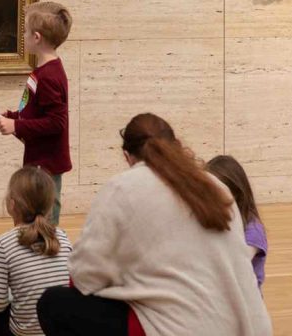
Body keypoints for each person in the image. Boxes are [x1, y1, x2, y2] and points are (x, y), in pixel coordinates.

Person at [36, 113, 272, 336]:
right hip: (244, 326)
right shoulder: (214, 185)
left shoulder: (123, 187)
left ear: (127, 156)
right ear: (177, 145)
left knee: (54, 303)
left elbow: (84, 277)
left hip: (176, 328)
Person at [0, 166, 72, 336]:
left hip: (21, 333)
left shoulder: (2, 243)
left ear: (12, 204)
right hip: (58, 329)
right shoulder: (63, 237)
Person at [0, 2, 72, 225]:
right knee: (34, 215)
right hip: (39, 157)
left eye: (26, 32)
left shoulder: (49, 75)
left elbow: (56, 122)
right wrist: (13, 116)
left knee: (46, 219)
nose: (24, 36)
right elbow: (34, 108)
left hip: (47, 162)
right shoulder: (42, 71)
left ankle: (49, 254)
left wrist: (16, 127)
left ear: (36, 37)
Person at [207, 155, 268, 290]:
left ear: (236, 193)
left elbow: (237, 263)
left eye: (216, 192)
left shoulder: (253, 231)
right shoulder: (217, 220)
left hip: (245, 305)